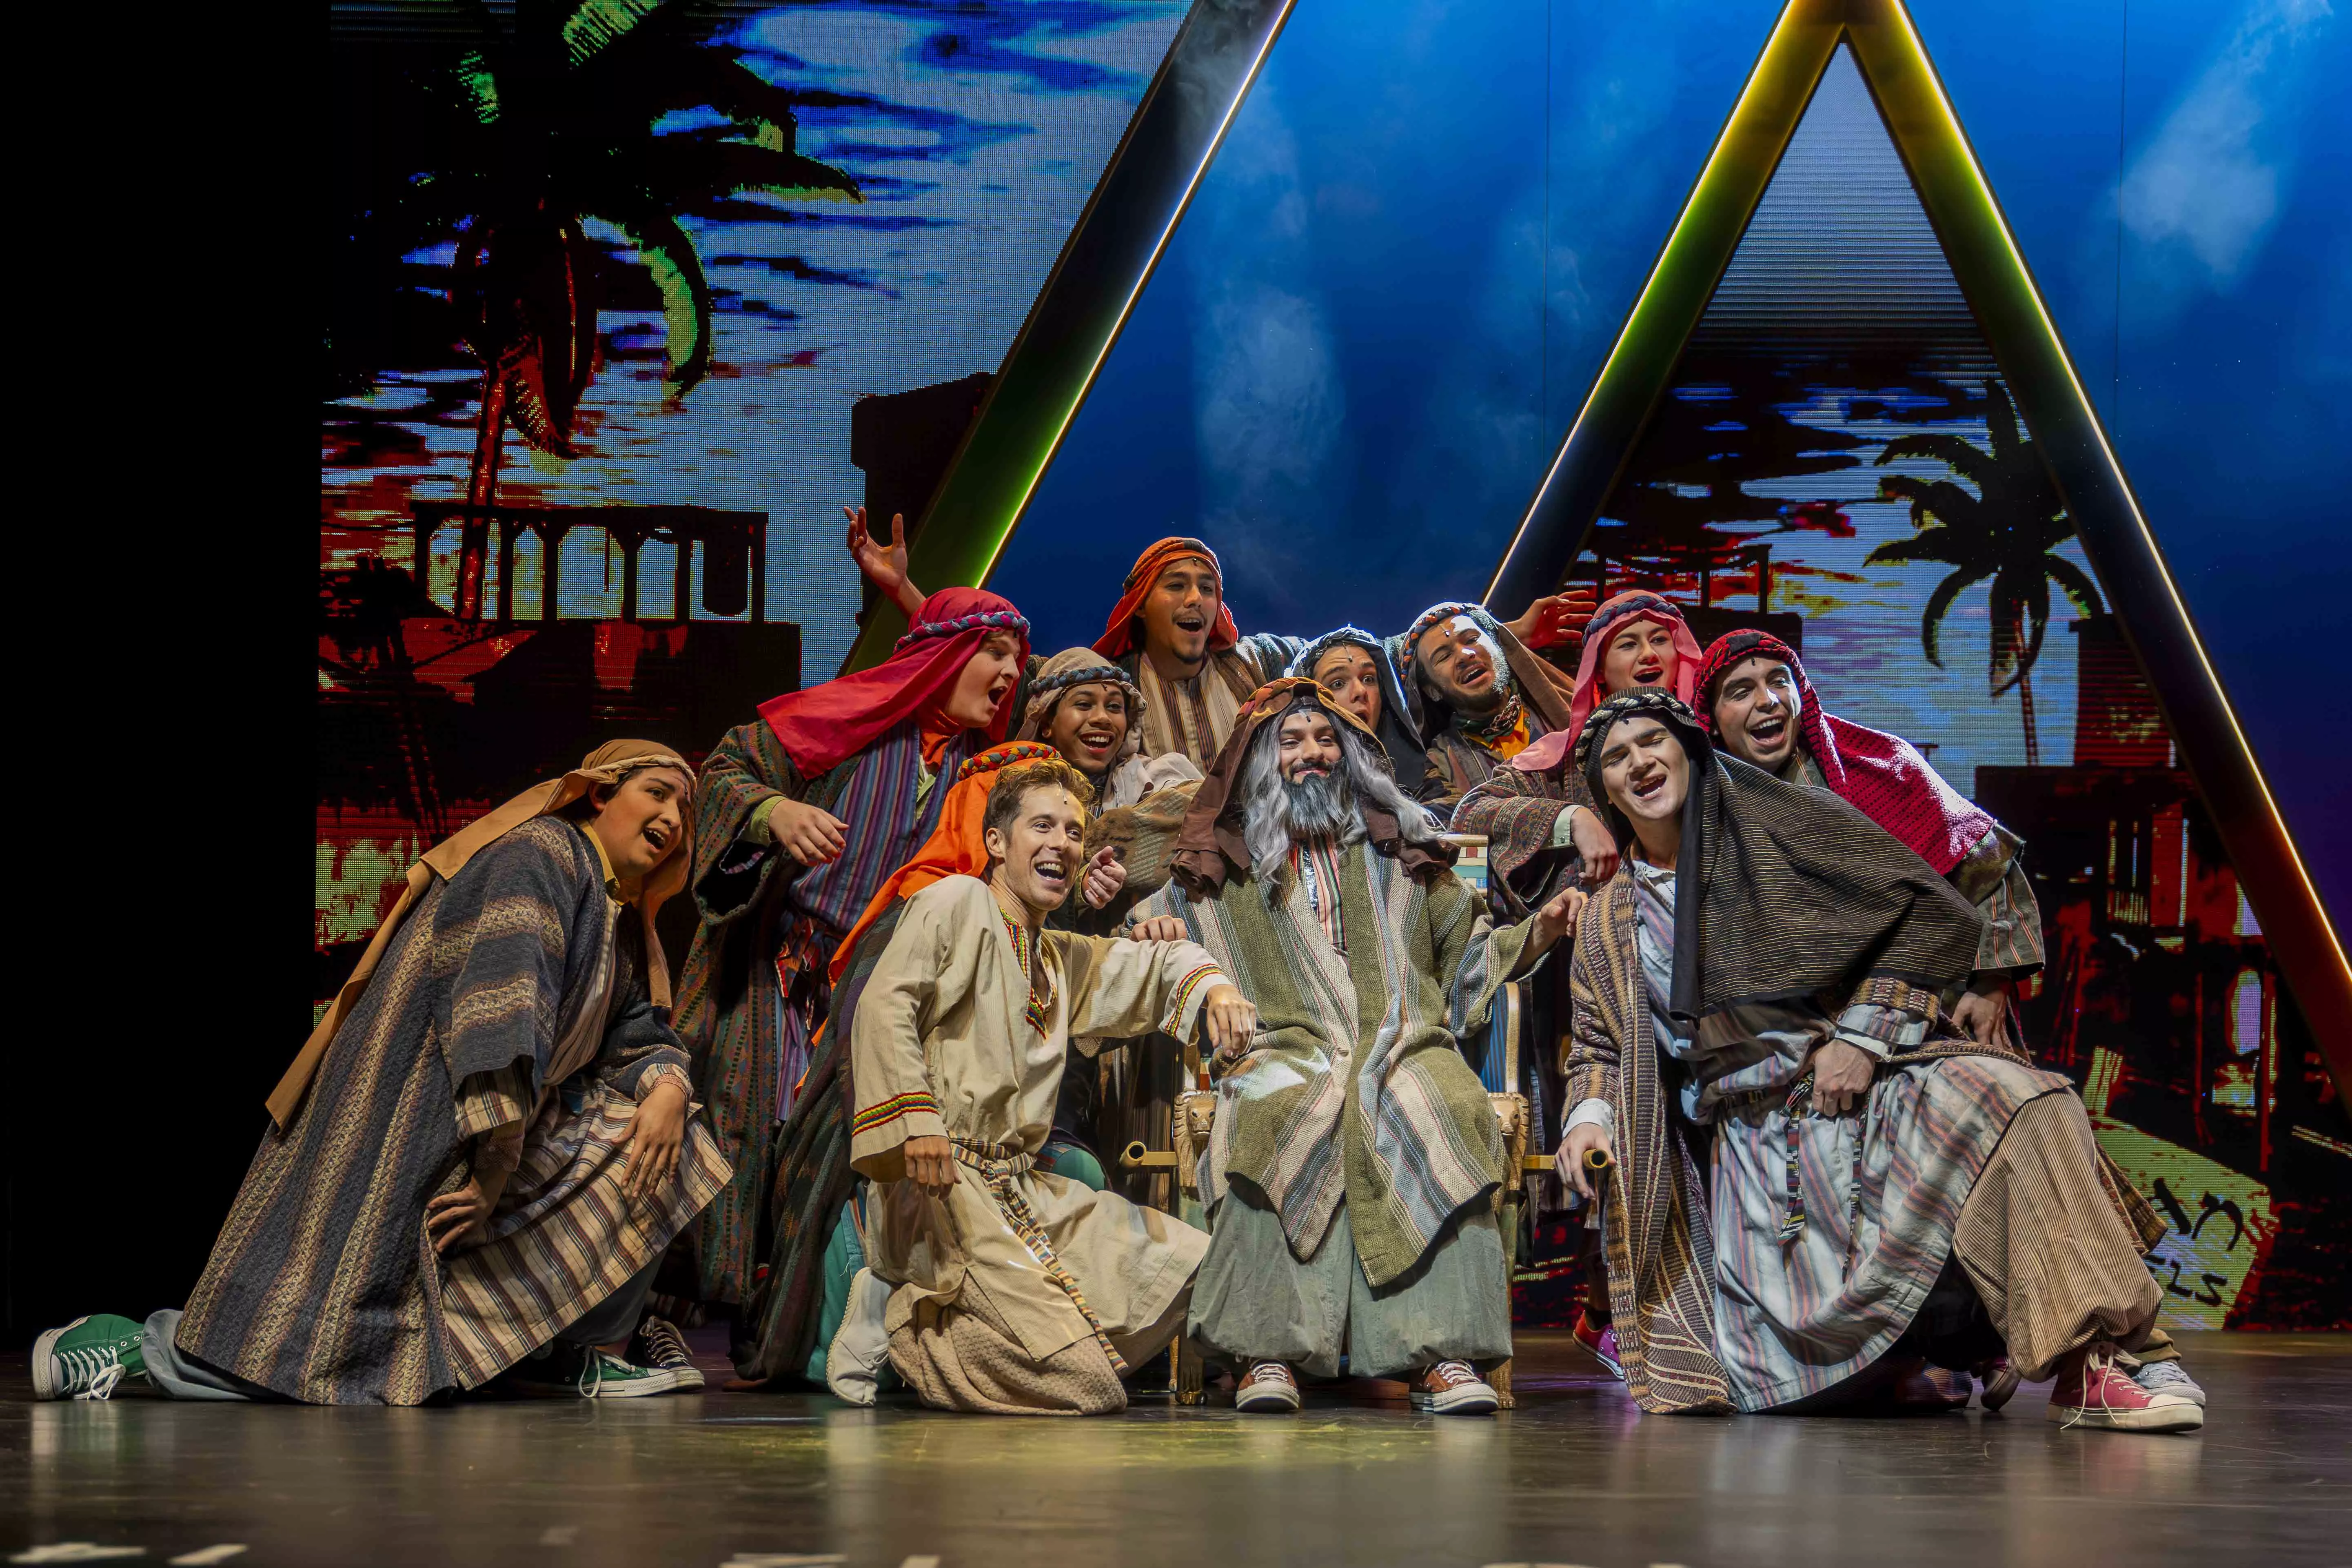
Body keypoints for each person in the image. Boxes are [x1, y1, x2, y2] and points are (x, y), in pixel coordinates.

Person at [1555, 691, 2200, 1433]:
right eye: (1615, 756)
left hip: (1864, 1079)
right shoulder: (1608, 916)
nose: (1639, 761)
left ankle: (2105, 1360)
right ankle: (1913, 1355)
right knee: (1792, 1383)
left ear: (1687, 749)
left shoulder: (1776, 820)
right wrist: (1588, 1117)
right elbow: (1600, 1044)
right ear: (1601, 787)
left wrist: (1859, 1039)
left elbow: (1926, 912)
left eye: (1651, 742)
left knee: (2020, 1096)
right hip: (1756, 1140)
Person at [38, 744, 732, 1404]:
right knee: (324, 1350)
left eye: (684, 807)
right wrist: (494, 1159)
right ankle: (128, 1345)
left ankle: (565, 1353)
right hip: (416, 1118)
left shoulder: (609, 909)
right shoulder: (540, 852)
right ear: (602, 792)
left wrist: (667, 1084)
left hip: (496, 1132)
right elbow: (499, 1006)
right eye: (657, 792)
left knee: (669, 1138)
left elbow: (636, 1029)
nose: (673, 818)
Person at [1127, 679, 1585, 1415]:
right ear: (1257, 762)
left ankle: (1438, 1357)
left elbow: (1465, 965)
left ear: (1350, 755)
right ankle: (1264, 1351)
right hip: (1285, 1044)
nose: (1310, 754)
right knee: (1270, 1110)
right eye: (1290, 741)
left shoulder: (1401, 853)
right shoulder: (1224, 862)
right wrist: (1153, 931)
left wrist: (1539, 930)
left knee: (1439, 1103)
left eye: (1323, 739)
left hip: (1399, 1040)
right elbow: (1156, 923)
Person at [824, 755, 1258, 1413]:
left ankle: (932, 1299)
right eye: (1042, 825)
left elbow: (1152, 967)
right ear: (996, 842)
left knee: (1198, 1268)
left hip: (1021, 1188)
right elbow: (886, 1003)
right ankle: (904, 1313)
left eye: (1074, 831)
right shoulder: (957, 900)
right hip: (943, 1187)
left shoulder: (1054, 957)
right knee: (1084, 1387)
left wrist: (1218, 987)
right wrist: (916, 1121)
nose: (1062, 842)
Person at [675, 584, 1029, 1330]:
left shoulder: (981, 774)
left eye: (1015, 661)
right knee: (743, 1123)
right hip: (779, 966)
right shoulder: (847, 724)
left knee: (838, 1149)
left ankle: (799, 1323)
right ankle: (700, 1308)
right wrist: (774, 811)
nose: (1010, 673)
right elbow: (724, 771)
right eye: (994, 652)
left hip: (878, 988)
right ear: (944, 656)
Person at [1392, 599, 1585, 816]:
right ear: (1432, 691)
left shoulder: (1577, 713)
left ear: (1500, 648)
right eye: (1444, 656)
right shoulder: (1436, 766)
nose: (1465, 655)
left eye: (1473, 639)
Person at [1015, 646, 1203, 811]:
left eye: (1114, 706)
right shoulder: (1015, 794)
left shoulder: (1156, 780)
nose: (1103, 718)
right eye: (1084, 704)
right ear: (1047, 723)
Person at [1286, 626, 1433, 798]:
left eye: (1369, 679)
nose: (1360, 691)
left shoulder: (1427, 781)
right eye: (1338, 684)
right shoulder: (1291, 782)